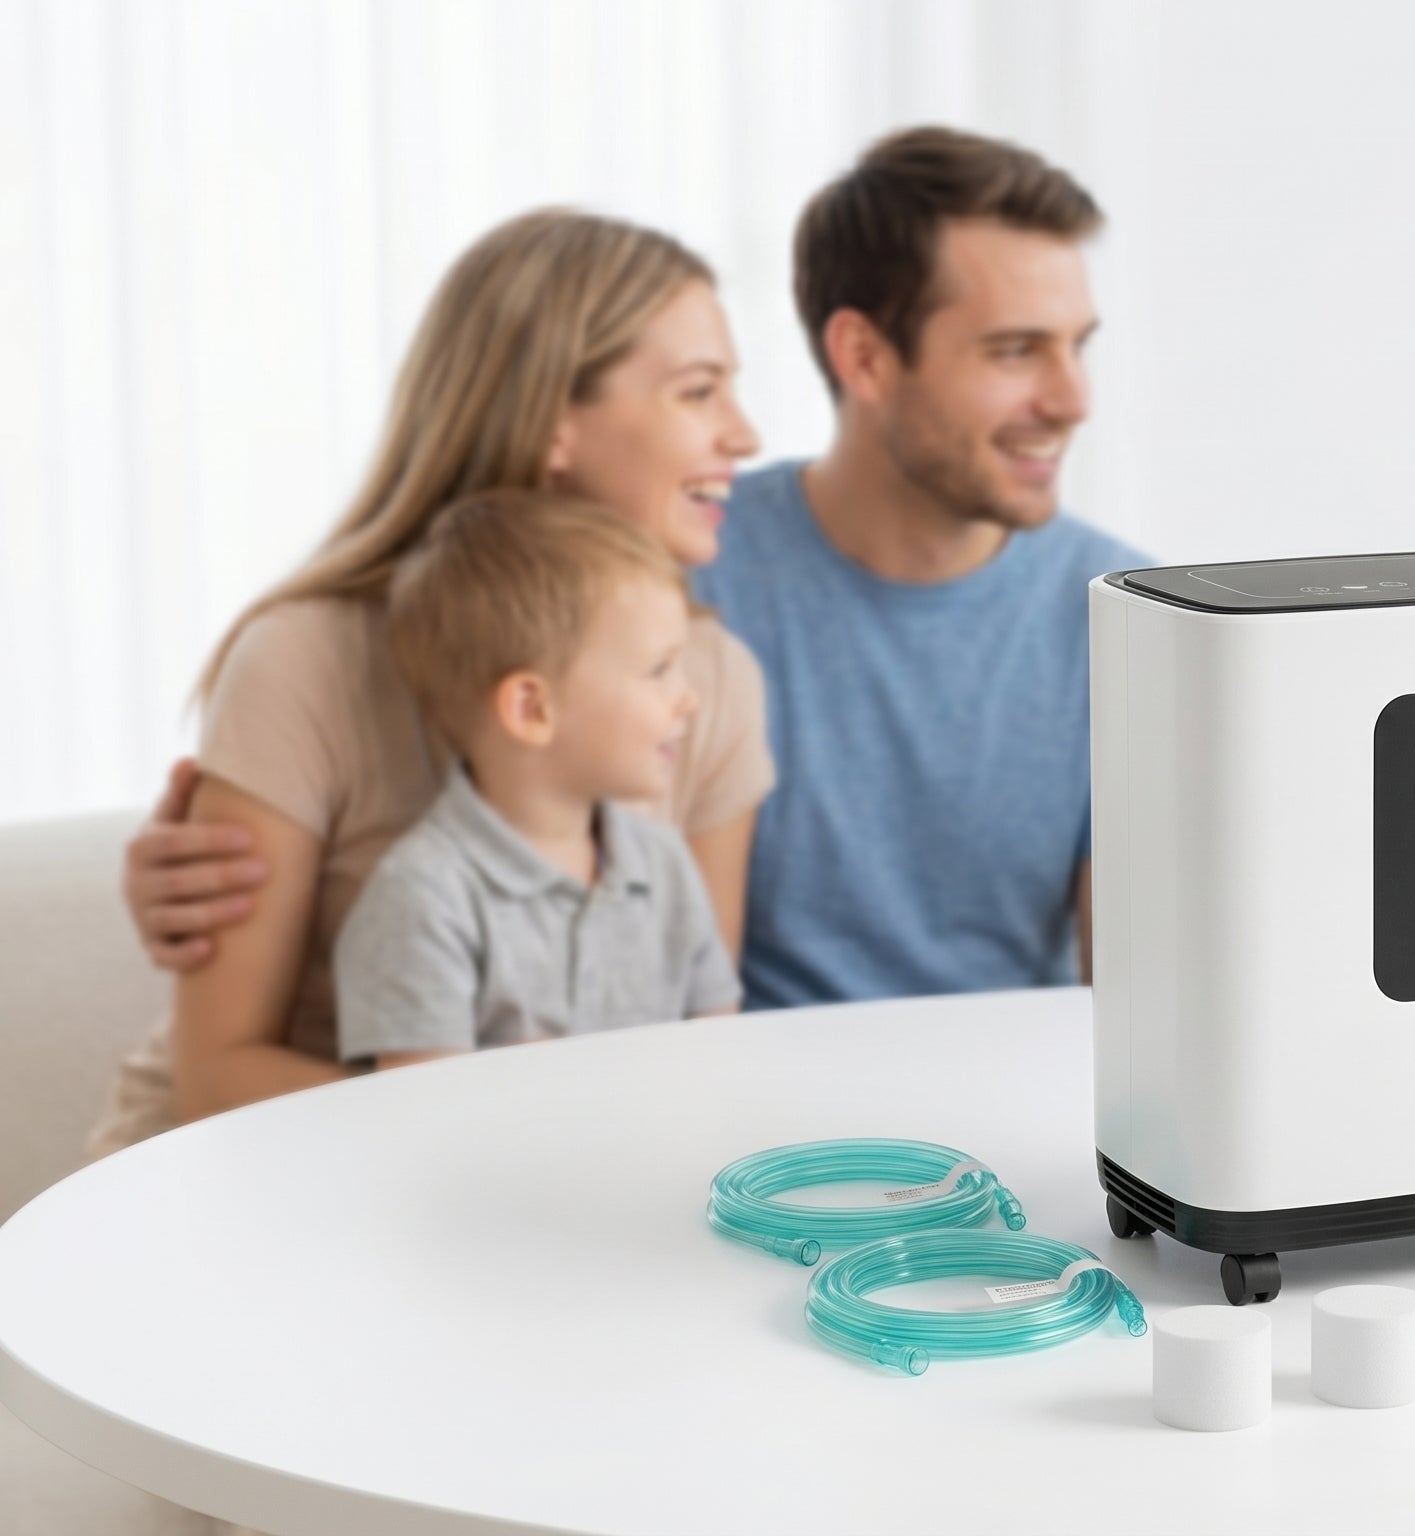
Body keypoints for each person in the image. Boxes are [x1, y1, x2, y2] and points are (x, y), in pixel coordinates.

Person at [97, 210, 770, 1151]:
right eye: (699, 391)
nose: (745, 434)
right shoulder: (305, 661)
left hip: (541, 1183)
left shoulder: (711, 679)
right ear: (553, 421)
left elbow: (690, 1041)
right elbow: (217, 1079)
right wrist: (509, 1139)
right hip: (260, 1170)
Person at [695, 126, 1145, 1007]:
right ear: (864, 357)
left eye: (1077, 346)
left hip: (1016, 1092)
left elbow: (1138, 1019)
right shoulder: (688, 578)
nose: (1072, 400)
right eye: (1016, 350)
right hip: (751, 1087)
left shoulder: (1131, 624)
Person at [333, 493, 739, 1067]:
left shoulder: (666, 864)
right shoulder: (423, 899)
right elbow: (422, 1114)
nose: (688, 698)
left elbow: (720, 1063)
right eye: (658, 670)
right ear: (532, 709)